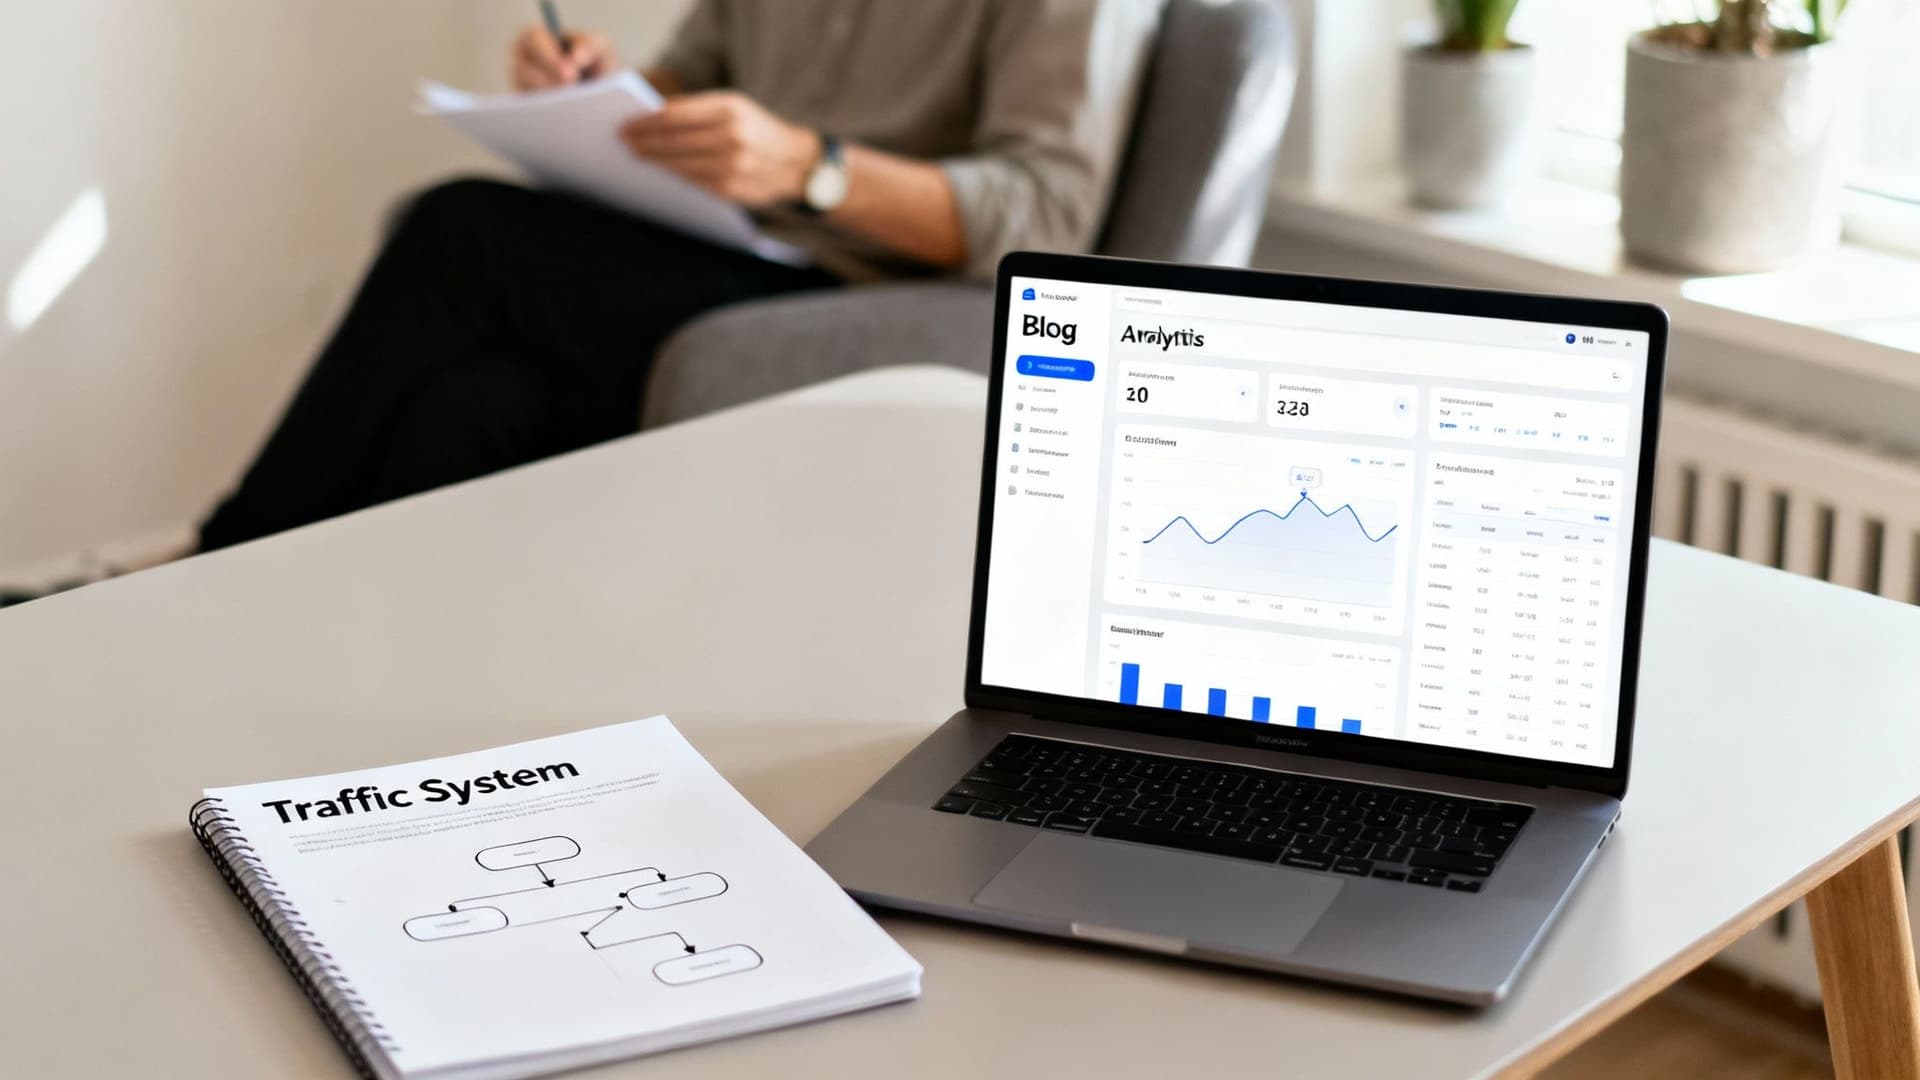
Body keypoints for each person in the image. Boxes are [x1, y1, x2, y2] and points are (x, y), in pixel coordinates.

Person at [193, 0, 1162, 552]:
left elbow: (1046, 215)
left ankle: (224, 558)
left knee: (461, 230)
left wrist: (811, 167)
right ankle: (332, 675)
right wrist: (600, 93)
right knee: (471, 403)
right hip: (715, 247)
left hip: (862, 289)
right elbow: (686, 86)